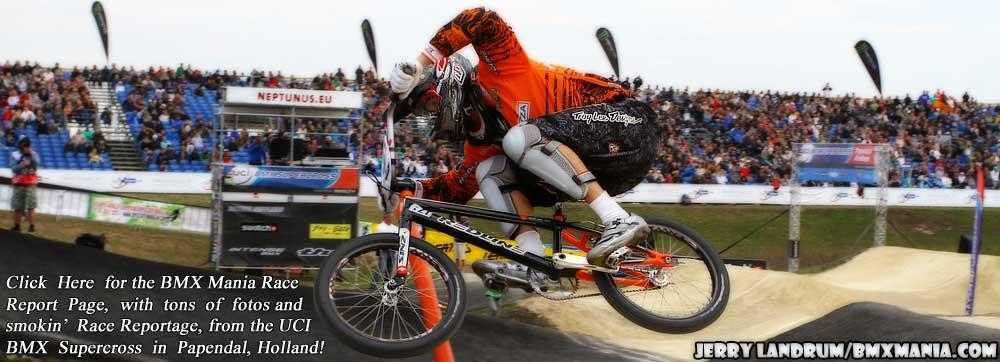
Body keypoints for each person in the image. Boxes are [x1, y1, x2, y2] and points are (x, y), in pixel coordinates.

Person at [389, 7, 661, 279]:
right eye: (425, 111)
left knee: (519, 138)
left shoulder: (500, 66)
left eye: (429, 103)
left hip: (628, 124)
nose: (432, 113)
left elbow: (482, 19)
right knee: (490, 171)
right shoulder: (480, 140)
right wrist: (402, 190)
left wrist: (421, 61)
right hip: (597, 165)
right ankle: (533, 262)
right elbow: (455, 190)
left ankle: (617, 219)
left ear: (443, 77)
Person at [10, 137, 39, 232]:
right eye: (24, 146)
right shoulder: (14, 155)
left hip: (31, 183)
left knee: (31, 206)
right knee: (17, 207)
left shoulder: (34, 154)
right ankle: (17, 226)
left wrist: (31, 156)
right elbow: (13, 169)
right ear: (20, 146)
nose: (26, 148)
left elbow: (37, 165)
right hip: (19, 183)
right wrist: (22, 164)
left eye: (28, 146)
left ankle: (32, 227)